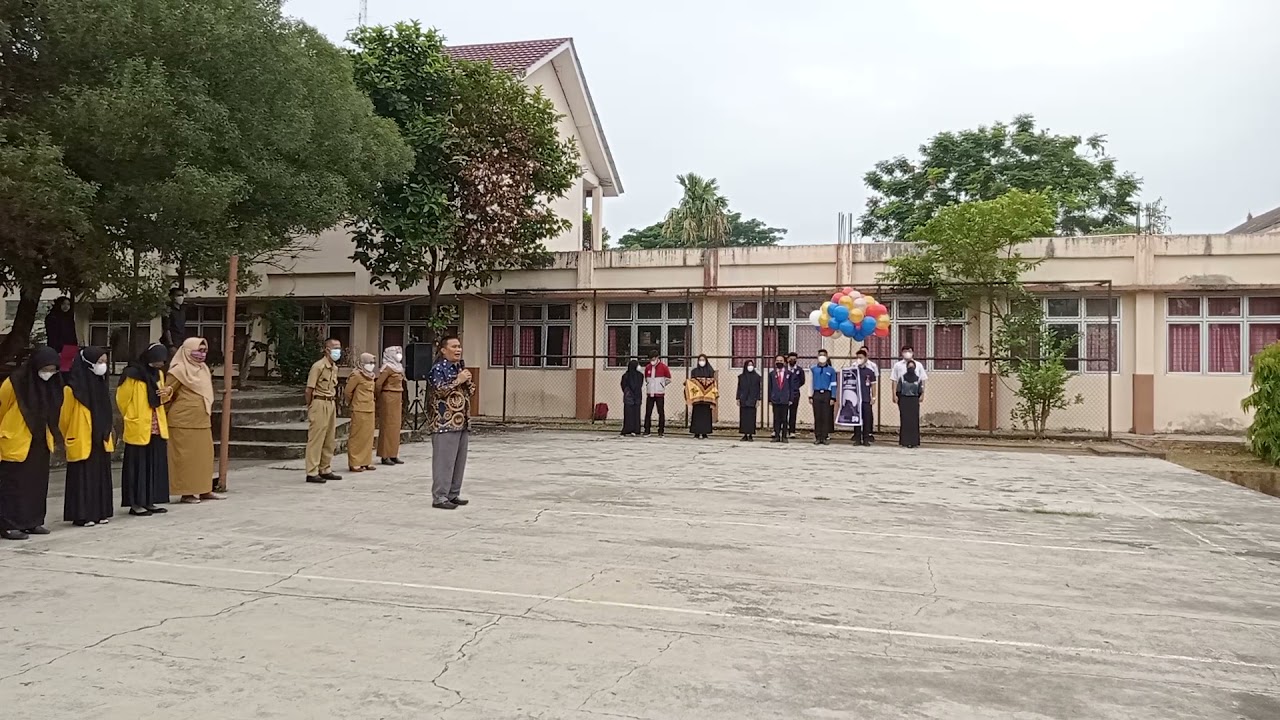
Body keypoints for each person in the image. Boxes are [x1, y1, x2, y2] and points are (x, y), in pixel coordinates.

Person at [0, 347, 63, 540]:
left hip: (40, 440)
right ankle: (9, 525)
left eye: (53, 369)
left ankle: (33, 521)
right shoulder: (15, 382)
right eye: (46, 368)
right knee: (13, 484)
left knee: (37, 483)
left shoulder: (53, 384)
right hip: (17, 439)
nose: (49, 373)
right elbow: (2, 406)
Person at [60, 347, 115, 527]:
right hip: (82, 437)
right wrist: (71, 434)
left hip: (100, 438)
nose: (103, 366)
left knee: (100, 477)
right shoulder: (72, 388)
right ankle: (83, 515)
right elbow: (64, 418)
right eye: (99, 362)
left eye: (105, 362)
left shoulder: (100, 384)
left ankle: (100, 512)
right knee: (83, 477)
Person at [116, 343, 172, 516]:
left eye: (161, 362)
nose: (158, 365)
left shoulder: (158, 374)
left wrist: (166, 393)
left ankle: (150, 500)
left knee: (153, 466)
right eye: (156, 361)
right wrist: (132, 416)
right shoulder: (131, 374)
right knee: (137, 467)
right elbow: (122, 400)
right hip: (139, 425)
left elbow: (161, 398)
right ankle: (136, 503)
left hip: (156, 426)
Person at [165, 337, 223, 503]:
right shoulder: (178, 369)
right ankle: (187, 492)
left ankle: (205, 489)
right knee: (185, 458)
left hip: (202, 420)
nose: (201, 354)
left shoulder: (203, 369)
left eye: (204, 351)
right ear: (186, 351)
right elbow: (167, 394)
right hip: (182, 422)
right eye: (198, 350)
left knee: (204, 457)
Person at [429, 335, 472, 510]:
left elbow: (471, 391)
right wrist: (458, 381)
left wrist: (467, 381)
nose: (458, 350)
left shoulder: (458, 368)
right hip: (444, 423)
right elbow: (439, 391)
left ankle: (453, 494)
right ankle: (440, 496)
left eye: (459, 346)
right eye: (454, 347)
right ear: (443, 350)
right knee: (444, 461)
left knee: (458, 461)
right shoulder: (438, 369)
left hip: (461, 422)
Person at [304, 338, 344, 484]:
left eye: (339, 348)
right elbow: (309, 389)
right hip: (319, 401)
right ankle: (312, 471)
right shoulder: (318, 366)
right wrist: (310, 406)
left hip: (331, 402)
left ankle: (325, 468)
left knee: (329, 438)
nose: (337, 351)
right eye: (334, 348)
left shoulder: (334, 367)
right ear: (326, 349)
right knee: (316, 438)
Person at [344, 352, 378, 473]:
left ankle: (366, 461)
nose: (372, 365)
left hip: (370, 408)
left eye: (373, 363)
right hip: (359, 408)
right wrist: (353, 403)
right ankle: (355, 462)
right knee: (357, 436)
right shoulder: (357, 375)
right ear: (362, 363)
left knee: (368, 436)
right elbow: (348, 392)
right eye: (369, 362)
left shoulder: (371, 375)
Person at [375, 346, 405, 465]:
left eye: (399, 352)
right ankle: (384, 455)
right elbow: (378, 384)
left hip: (397, 396)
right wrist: (379, 397)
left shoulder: (398, 367)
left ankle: (393, 454)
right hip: (388, 396)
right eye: (396, 353)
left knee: (395, 426)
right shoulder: (387, 368)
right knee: (387, 426)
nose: (399, 355)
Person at [686, 354, 718, 439]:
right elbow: (692, 383)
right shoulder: (694, 371)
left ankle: (705, 433)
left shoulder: (710, 371)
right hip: (697, 397)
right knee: (697, 414)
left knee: (706, 414)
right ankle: (696, 432)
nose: (701, 362)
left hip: (707, 398)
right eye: (700, 360)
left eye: (703, 360)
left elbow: (713, 383)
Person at [850, 348, 878, 445]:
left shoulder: (870, 371)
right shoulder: (853, 370)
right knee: (856, 419)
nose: (859, 359)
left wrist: (873, 397)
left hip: (866, 399)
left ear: (866, 358)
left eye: (861, 357)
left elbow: (873, 385)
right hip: (855, 399)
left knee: (866, 419)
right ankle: (857, 438)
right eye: (857, 358)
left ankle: (866, 438)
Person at [810, 349, 838, 445]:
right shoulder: (813, 369)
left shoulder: (831, 370)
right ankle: (818, 437)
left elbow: (834, 384)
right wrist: (810, 395)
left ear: (827, 357)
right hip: (817, 394)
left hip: (827, 394)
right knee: (817, 416)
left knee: (826, 416)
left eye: (824, 355)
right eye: (820, 355)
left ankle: (825, 436)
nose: (822, 357)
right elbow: (811, 383)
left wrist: (833, 397)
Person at [44, 296, 78, 372]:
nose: (66, 306)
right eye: (63, 304)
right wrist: (58, 350)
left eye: (68, 304)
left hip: (69, 348)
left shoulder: (69, 318)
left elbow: (72, 334)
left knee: (67, 371)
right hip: (57, 349)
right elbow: (52, 336)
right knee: (56, 370)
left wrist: (74, 348)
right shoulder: (52, 317)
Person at [643, 351, 671, 437]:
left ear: (657, 357)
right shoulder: (648, 367)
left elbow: (668, 379)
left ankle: (661, 431)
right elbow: (646, 378)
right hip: (650, 393)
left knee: (661, 412)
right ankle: (647, 430)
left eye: (653, 358)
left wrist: (661, 385)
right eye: (651, 359)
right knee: (648, 412)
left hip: (659, 393)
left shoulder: (663, 367)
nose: (652, 360)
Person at [897, 360, 924, 448]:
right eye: (909, 367)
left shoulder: (918, 378)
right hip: (904, 400)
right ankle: (905, 441)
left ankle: (914, 441)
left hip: (914, 401)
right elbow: (898, 390)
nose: (911, 368)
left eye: (912, 367)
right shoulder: (902, 378)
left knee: (914, 421)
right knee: (905, 421)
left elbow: (920, 390)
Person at [767, 355, 791, 443]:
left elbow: (791, 387)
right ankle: (776, 435)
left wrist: (790, 398)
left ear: (784, 362)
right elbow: (770, 387)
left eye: (781, 360)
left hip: (785, 399)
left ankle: (784, 436)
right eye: (777, 360)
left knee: (784, 419)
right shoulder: (772, 374)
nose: (779, 362)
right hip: (775, 399)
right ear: (775, 362)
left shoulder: (789, 373)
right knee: (776, 418)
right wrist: (769, 398)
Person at [736, 361, 761, 441]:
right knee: (744, 418)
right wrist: (738, 398)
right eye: (749, 365)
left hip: (752, 399)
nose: (750, 366)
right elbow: (739, 388)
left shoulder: (757, 377)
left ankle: (750, 434)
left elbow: (759, 389)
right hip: (743, 399)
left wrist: (758, 399)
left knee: (751, 418)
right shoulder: (741, 377)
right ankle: (745, 434)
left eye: (752, 365)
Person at [619, 359, 644, 437]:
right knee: (636, 413)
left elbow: (623, 385)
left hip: (628, 396)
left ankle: (627, 429)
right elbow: (640, 385)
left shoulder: (625, 375)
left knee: (628, 413)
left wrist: (627, 392)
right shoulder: (640, 375)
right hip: (637, 396)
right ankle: (636, 429)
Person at [159, 288, 187, 354]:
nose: (181, 297)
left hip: (181, 342)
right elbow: (166, 329)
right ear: (172, 297)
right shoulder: (168, 311)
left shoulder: (182, 311)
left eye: (182, 295)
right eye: (178, 295)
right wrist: (171, 345)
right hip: (172, 343)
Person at [785, 352, 805, 437]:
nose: (792, 360)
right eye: (791, 359)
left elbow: (802, 381)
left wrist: (795, 387)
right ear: (787, 359)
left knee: (793, 413)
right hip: (784, 394)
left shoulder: (799, 370)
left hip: (795, 394)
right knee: (784, 413)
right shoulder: (784, 369)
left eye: (794, 359)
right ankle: (784, 430)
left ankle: (792, 431)